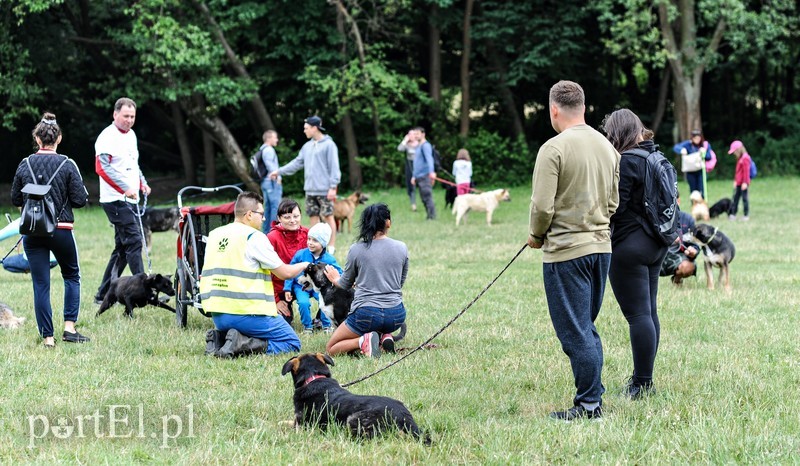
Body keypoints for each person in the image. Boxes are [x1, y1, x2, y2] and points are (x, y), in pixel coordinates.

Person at [527, 81, 619, 420]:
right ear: (583, 106)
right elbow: (613, 202)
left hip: (566, 251)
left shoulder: (553, 149)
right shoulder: (608, 147)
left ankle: (589, 404)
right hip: (601, 248)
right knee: (585, 326)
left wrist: (536, 235)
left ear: (554, 110)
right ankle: (593, 393)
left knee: (576, 331)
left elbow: (542, 206)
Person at [602, 109, 669, 400]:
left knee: (638, 315)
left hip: (630, 245)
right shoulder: (655, 155)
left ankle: (642, 384)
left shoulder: (627, 160)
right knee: (649, 312)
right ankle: (645, 379)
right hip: (657, 242)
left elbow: (616, 206)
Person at [10, 112, 89, 347]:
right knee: (71, 276)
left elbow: (16, 198)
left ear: (37, 139)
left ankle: (48, 338)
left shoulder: (25, 164)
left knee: (41, 284)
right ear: (59, 139)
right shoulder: (68, 164)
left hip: (32, 231)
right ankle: (69, 328)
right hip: (61, 229)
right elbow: (80, 200)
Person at [200, 192, 308, 357]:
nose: (264, 219)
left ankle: (219, 339)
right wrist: (306, 264)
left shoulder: (215, 235)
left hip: (218, 315)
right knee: (292, 343)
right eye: (261, 214)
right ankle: (240, 344)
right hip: (246, 313)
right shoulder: (253, 237)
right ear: (249, 214)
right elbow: (285, 273)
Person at [323, 203, 408, 358]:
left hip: (367, 315)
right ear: (388, 223)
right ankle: (384, 336)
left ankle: (363, 340)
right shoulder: (402, 247)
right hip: (396, 316)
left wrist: (335, 279)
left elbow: (345, 284)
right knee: (379, 322)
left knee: (331, 348)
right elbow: (398, 284)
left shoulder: (357, 249)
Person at [93, 97, 151, 304]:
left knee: (122, 249)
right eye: (126, 116)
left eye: (132, 117)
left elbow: (133, 164)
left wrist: (142, 183)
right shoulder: (107, 137)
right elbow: (102, 168)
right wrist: (125, 188)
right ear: (115, 114)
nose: (129, 120)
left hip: (130, 198)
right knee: (134, 241)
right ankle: (144, 290)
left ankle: (103, 293)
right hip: (115, 200)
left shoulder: (131, 135)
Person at [269, 116, 340, 253]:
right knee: (313, 217)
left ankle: (331, 247)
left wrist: (333, 187)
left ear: (314, 128)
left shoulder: (329, 145)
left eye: (306, 128)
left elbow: (334, 167)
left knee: (328, 216)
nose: (304, 131)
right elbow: (296, 163)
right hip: (310, 190)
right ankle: (315, 245)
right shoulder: (307, 146)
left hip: (325, 190)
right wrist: (279, 171)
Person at [284, 222, 342, 334]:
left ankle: (326, 325)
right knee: (303, 303)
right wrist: (287, 288)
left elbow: (339, 272)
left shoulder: (329, 259)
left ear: (323, 243)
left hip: (319, 288)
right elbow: (290, 271)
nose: (310, 242)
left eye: (315, 240)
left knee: (325, 302)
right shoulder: (300, 254)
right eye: (309, 239)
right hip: (301, 286)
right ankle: (308, 326)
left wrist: (341, 281)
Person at [267, 198, 309, 324]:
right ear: (279, 218)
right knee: (282, 323)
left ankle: (319, 319)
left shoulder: (308, 235)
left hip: (304, 284)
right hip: (280, 287)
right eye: (287, 217)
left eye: (296, 216)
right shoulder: (272, 238)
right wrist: (275, 300)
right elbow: (265, 272)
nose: (292, 220)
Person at [672, 129, 715, 199]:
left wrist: (703, 153)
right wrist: (682, 150)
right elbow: (676, 147)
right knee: (693, 192)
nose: (697, 140)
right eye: (695, 138)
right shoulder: (688, 144)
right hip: (690, 172)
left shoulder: (704, 145)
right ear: (692, 138)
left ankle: (702, 204)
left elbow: (709, 157)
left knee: (702, 191)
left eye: (698, 138)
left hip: (701, 171)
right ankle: (694, 205)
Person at [410, 127, 437, 220]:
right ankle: (429, 215)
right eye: (415, 134)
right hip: (418, 176)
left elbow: (430, 159)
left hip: (425, 176)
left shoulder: (426, 146)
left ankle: (432, 216)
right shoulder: (418, 146)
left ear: (423, 134)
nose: (416, 136)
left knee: (427, 196)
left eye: (417, 134)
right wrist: (414, 176)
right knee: (423, 198)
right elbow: (416, 163)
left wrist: (432, 172)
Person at [258, 130, 282, 229]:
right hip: (271, 182)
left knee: (268, 207)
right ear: (268, 138)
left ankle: (266, 231)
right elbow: (270, 165)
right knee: (275, 207)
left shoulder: (262, 149)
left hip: (265, 182)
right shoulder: (269, 150)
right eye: (275, 137)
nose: (277, 140)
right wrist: (278, 176)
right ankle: (273, 230)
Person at [727, 140, 752, 221]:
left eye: (734, 151)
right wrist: (735, 180)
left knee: (744, 199)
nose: (734, 153)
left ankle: (746, 215)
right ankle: (733, 214)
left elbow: (746, 172)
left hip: (743, 183)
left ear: (738, 150)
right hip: (738, 182)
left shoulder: (745, 158)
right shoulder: (739, 158)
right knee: (735, 198)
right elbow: (738, 171)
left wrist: (745, 182)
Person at [397, 130, 419, 212]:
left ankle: (423, 202)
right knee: (410, 186)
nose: (411, 136)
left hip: (418, 166)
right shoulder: (407, 145)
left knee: (419, 186)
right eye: (409, 134)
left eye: (412, 134)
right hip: (409, 167)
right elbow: (399, 149)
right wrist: (405, 140)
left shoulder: (419, 144)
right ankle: (413, 204)